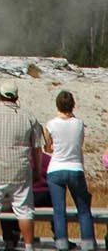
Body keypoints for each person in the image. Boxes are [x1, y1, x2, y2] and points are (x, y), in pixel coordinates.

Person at [0, 84, 43, 251]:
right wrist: (37, 171)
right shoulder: (29, 116)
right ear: (16, 97)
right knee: (25, 211)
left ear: (0, 96)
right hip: (20, 170)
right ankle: (29, 246)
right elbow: (37, 147)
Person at [43, 90, 94, 251]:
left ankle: (61, 243)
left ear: (57, 104)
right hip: (75, 167)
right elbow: (79, 143)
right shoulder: (79, 123)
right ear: (73, 105)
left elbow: (48, 148)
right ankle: (88, 243)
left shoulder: (51, 124)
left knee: (59, 211)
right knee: (83, 209)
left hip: (56, 168)